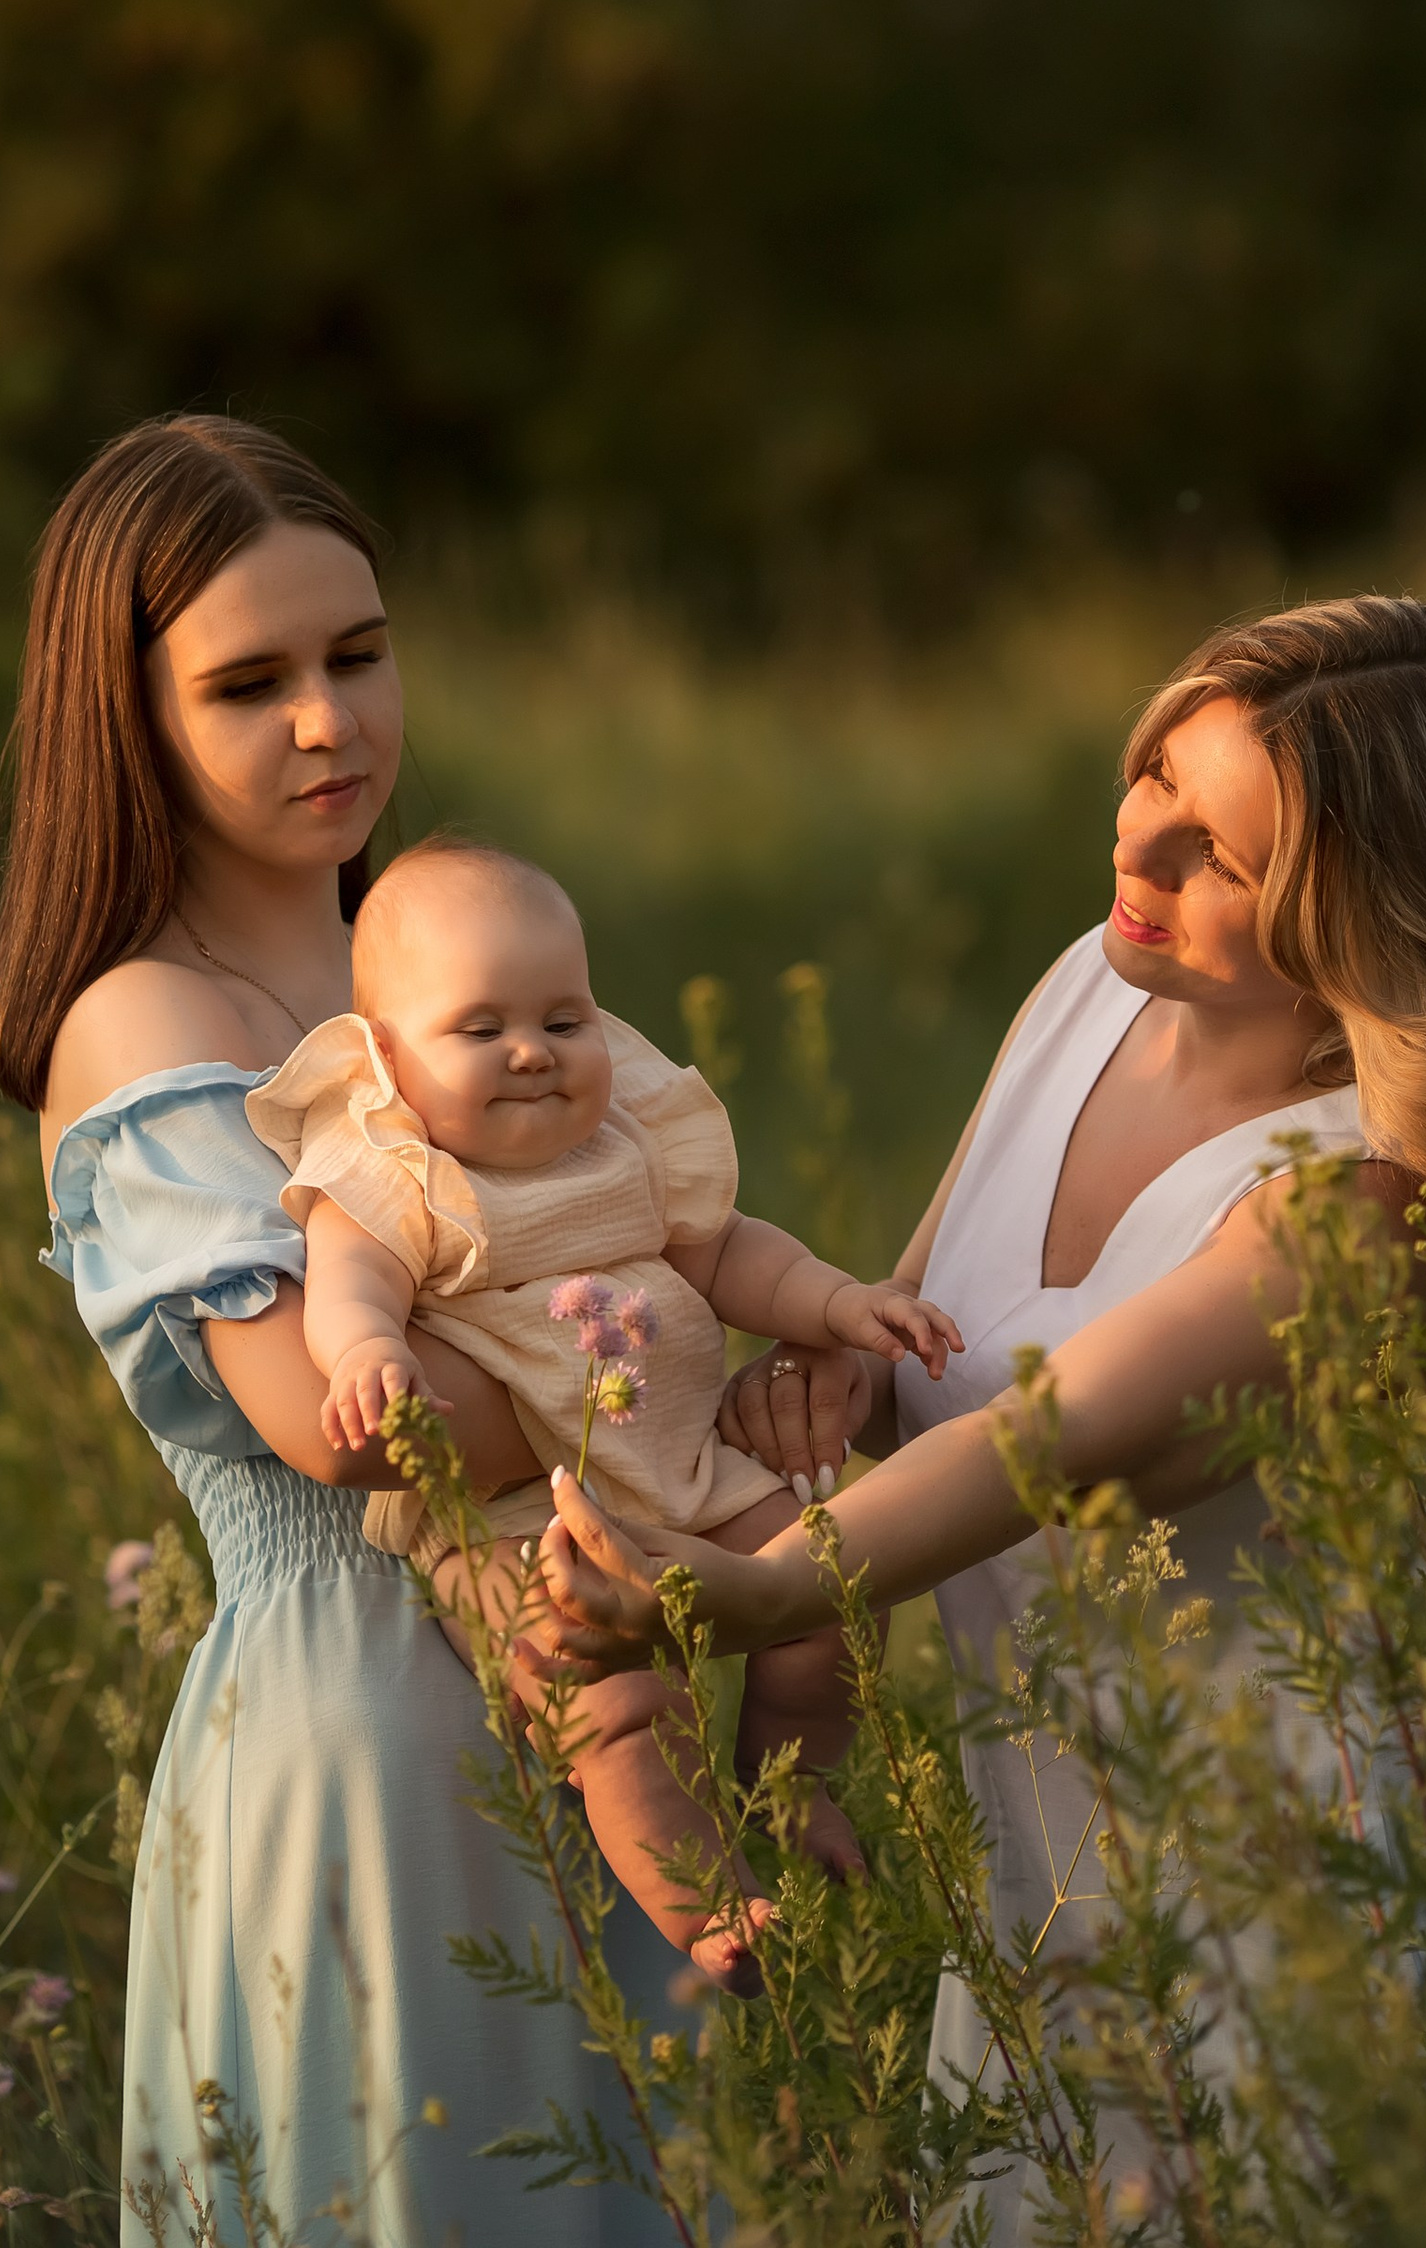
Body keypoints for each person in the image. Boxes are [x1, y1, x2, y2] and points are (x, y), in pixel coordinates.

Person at [534, 595, 1426, 2221]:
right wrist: (844, 1368)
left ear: (1376, 913)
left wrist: (760, 1588)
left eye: (1224, 852)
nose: (1146, 846)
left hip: (1282, 1889)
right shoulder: (1099, 985)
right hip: (1045, 1861)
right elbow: (942, 1339)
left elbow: (1056, 1433)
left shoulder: (1382, 1204)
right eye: (1155, 778)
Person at [0, 416, 677, 2248]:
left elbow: (672, 1232)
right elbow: (344, 1421)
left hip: (593, 1676)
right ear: (125, 717)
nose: (328, 722)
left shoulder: (436, 970)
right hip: (364, 1730)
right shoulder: (145, 1025)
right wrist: (655, 1352)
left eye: (357, 656)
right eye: (249, 683)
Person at [247, 829, 958, 1985]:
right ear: (382, 1056)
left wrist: (835, 1304)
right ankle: (711, 1913)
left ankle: (792, 1789)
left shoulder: (627, 1138)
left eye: (563, 1021)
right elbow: (350, 1285)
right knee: (615, 1701)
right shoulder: (396, 1168)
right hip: (523, 1514)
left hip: (684, 1465)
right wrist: (370, 1352)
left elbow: (727, 1253)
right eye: (480, 1030)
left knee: (834, 1590)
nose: (531, 1053)